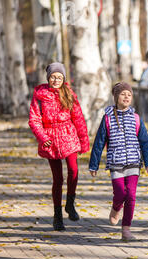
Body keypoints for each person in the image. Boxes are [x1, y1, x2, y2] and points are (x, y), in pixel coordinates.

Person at [89, 82, 148, 241]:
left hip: (133, 162)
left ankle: (126, 229)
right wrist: (94, 164)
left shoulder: (136, 118)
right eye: (123, 94)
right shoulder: (108, 118)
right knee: (120, 193)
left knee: (131, 195)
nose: (126, 97)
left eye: (129, 94)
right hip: (116, 163)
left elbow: (145, 142)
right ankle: (116, 207)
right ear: (116, 97)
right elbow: (99, 142)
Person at [29, 62, 90, 231]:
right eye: (53, 77)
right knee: (58, 179)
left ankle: (70, 203)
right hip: (50, 139)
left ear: (64, 79)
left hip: (68, 135)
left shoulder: (69, 94)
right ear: (48, 78)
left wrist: (84, 140)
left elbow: (78, 118)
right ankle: (57, 217)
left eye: (59, 77)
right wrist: (42, 137)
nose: (56, 80)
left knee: (74, 170)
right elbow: (34, 119)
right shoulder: (39, 95)